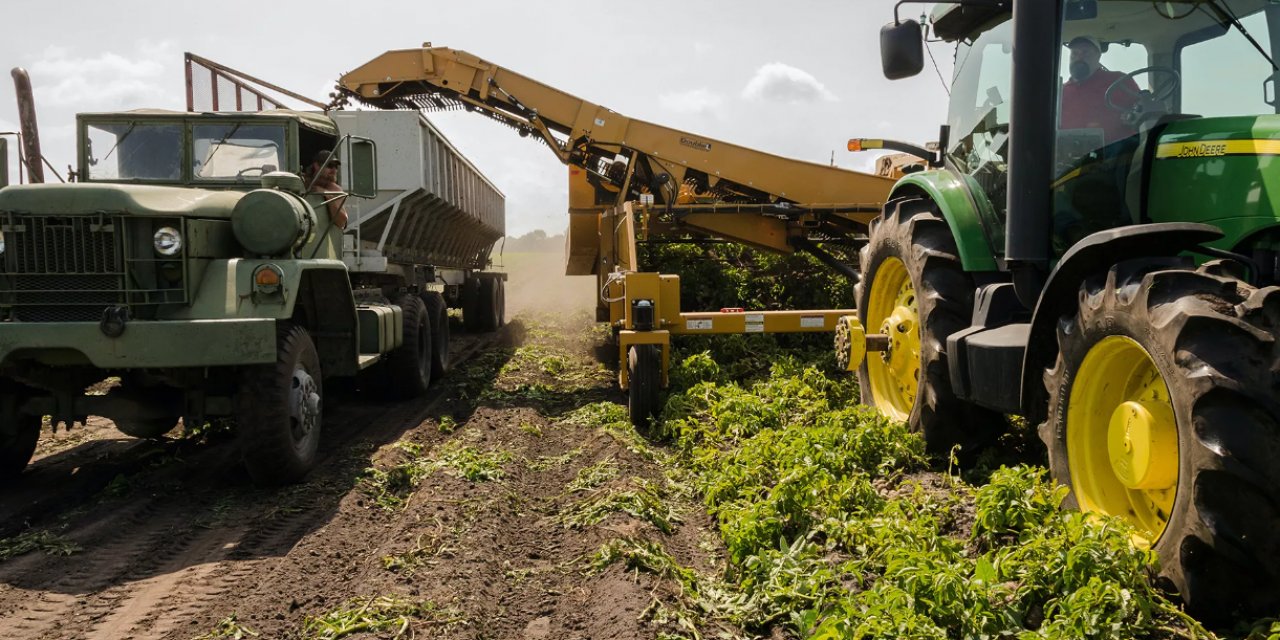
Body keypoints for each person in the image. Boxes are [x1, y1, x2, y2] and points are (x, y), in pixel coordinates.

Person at [1060, 36, 1140, 143]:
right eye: (1075, 53)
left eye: (1085, 53)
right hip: (1070, 157)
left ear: (1098, 56)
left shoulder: (1120, 82)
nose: (1079, 58)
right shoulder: (1060, 93)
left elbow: (1142, 113)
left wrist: (1132, 118)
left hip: (1117, 155)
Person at [302, 150, 349, 230]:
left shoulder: (335, 190)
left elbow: (341, 222)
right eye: (330, 166)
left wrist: (328, 195)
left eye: (336, 167)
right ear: (316, 166)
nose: (334, 171)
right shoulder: (302, 182)